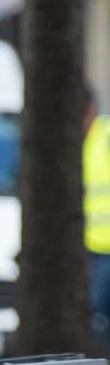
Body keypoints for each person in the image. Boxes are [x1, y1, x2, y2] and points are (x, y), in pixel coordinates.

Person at [84, 94, 110, 346]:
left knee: (98, 314)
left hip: (106, 249)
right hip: (90, 247)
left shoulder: (105, 136)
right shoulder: (77, 142)